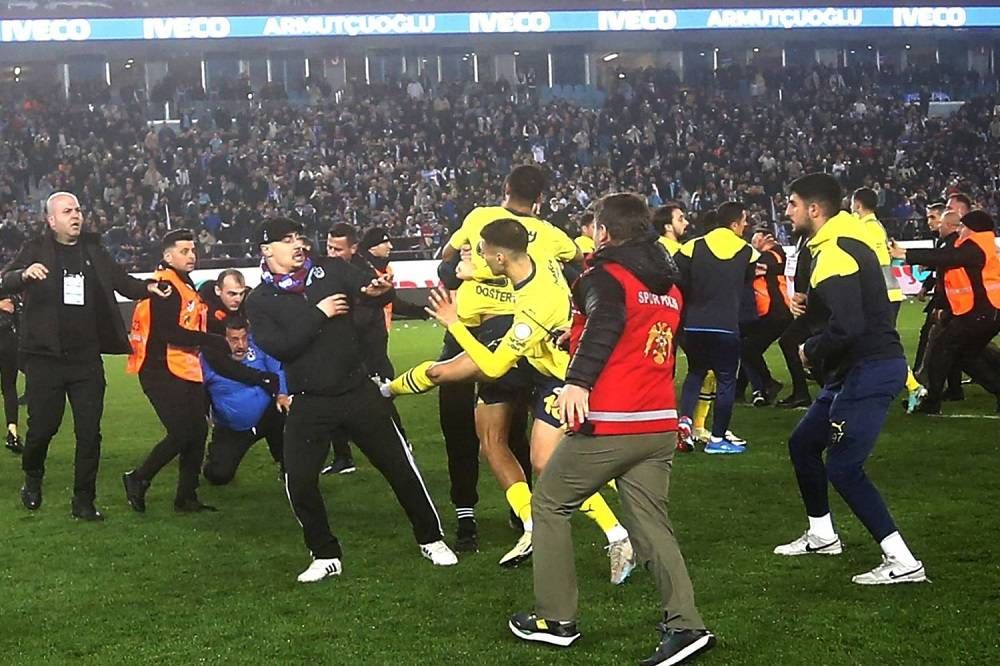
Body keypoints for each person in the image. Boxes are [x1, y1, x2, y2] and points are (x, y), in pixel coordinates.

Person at [508, 192, 716, 666]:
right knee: (651, 523)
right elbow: (639, 337)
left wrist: (577, 381)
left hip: (613, 421)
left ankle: (555, 619)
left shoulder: (603, 275)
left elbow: (607, 320)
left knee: (549, 503)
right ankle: (686, 624)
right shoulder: (669, 284)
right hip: (658, 422)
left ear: (603, 232)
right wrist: (577, 337)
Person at [389, 217, 634, 582]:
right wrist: (473, 273)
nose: (480, 257)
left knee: (546, 462)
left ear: (500, 257)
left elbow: (493, 365)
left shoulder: (534, 308)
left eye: (483, 253)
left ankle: (618, 535)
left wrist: (454, 324)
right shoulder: (536, 256)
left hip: (560, 375)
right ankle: (534, 524)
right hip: (538, 360)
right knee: (494, 439)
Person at [244, 217, 456, 582]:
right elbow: (281, 347)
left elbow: (372, 292)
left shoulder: (330, 269)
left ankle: (431, 538)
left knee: (400, 467)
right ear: (267, 250)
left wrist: (378, 290)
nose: (298, 244)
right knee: (299, 481)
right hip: (309, 400)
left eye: (299, 237)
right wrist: (319, 313)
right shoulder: (259, 300)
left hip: (357, 391)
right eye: (287, 240)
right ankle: (324, 554)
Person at [775, 173, 927, 586]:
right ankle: (822, 535)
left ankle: (904, 562)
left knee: (843, 468)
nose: (787, 212)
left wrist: (810, 350)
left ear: (814, 209)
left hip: (869, 368)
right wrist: (810, 308)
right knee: (803, 444)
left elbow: (848, 325)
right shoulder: (840, 241)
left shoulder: (835, 251)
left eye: (792, 204)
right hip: (855, 369)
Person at [433, 164, 579, 553]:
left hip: (472, 328)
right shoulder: (551, 235)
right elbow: (578, 260)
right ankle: (524, 513)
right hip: (522, 332)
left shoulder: (479, 218)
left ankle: (466, 514)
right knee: (515, 426)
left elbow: (446, 262)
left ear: (505, 187)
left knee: (462, 424)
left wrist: (465, 268)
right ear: (541, 199)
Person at [0, 191, 169, 521]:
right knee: (42, 429)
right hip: (45, 358)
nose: (76, 215)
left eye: (78, 209)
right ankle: (33, 475)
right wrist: (24, 274)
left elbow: (122, 281)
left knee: (89, 433)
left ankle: (84, 500)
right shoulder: (35, 249)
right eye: (67, 211)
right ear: (51, 220)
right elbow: (4, 281)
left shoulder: (93, 250)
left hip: (85, 359)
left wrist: (148, 287)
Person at [123, 229, 231, 513]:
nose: (192, 255)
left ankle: (186, 497)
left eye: (193, 250)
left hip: (183, 366)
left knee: (197, 431)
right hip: (160, 368)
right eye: (184, 251)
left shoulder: (183, 282)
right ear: (168, 256)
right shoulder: (165, 285)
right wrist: (212, 340)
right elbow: (169, 332)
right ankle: (139, 478)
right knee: (183, 432)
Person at [322, 223, 424, 476]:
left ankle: (401, 445)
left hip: (369, 349)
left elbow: (378, 303)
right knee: (331, 398)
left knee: (381, 399)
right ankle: (343, 457)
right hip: (342, 349)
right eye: (329, 247)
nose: (332, 253)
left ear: (353, 248)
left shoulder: (363, 272)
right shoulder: (327, 269)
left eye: (337, 249)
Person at [891, 210, 1000, 414]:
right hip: (985, 312)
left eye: (963, 227)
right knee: (966, 355)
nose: (960, 230)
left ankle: (932, 401)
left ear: (973, 229)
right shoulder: (984, 245)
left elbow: (948, 257)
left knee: (943, 347)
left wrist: (905, 254)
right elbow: (947, 258)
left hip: (980, 313)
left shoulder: (975, 246)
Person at [674, 201, 759, 454]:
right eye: (744, 221)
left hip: (694, 325)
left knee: (695, 372)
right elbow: (746, 287)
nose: (745, 225)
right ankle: (718, 439)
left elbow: (678, 278)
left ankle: (685, 422)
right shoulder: (747, 252)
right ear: (735, 223)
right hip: (726, 325)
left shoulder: (692, 246)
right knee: (726, 380)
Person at [851, 188, 925, 411]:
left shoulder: (867, 228)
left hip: (880, 295)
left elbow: (874, 261)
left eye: (852, 204)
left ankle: (913, 386)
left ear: (857, 205)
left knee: (880, 343)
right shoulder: (874, 226)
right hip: (884, 293)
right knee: (871, 342)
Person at [202, 316, 288, 485]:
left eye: (244, 338)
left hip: (269, 417)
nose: (241, 345)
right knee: (218, 476)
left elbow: (278, 371)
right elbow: (197, 389)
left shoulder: (258, 347)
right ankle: (213, 458)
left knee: (289, 412)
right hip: (234, 428)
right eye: (234, 340)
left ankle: (288, 467)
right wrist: (203, 413)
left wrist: (282, 394)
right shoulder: (209, 361)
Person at [742, 229, 791, 406]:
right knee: (749, 349)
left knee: (748, 349)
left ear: (765, 238)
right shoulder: (776, 255)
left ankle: (768, 383)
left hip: (776, 311)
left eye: (756, 238)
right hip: (777, 311)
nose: (753, 241)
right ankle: (750, 388)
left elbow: (751, 271)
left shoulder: (770, 256)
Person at [0, 296, 21, 454]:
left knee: (9, 386)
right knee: (9, 387)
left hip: (8, 338)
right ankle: (12, 434)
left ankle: (12, 433)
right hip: (8, 336)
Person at [199, 269, 247, 336]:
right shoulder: (203, 303)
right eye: (232, 294)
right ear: (218, 290)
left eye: (241, 293)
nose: (238, 299)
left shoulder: (250, 302)